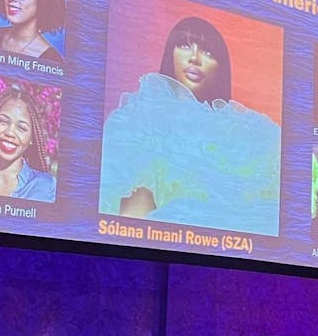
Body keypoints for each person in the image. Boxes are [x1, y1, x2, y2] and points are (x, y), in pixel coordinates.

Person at [99, 17, 280, 236]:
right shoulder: (142, 117)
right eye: (185, 45)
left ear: (221, 67)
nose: (194, 58)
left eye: (208, 52)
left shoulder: (248, 132)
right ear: (170, 53)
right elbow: (132, 224)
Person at [0, 86, 57, 202]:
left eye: (22, 128)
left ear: (32, 138)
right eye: (3, 121)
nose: (10, 132)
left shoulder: (47, 187)